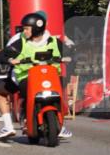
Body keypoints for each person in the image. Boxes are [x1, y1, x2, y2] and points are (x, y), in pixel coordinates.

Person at [4, 11, 72, 139]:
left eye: (27, 28)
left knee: (60, 92)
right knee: (26, 91)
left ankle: (61, 122)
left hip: (50, 76)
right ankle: (25, 117)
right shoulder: (21, 42)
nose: (24, 31)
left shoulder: (54, 41)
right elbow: (5, 54)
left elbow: (69, 52)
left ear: (36, 28)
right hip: (28, 77)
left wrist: (68, 57)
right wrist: (10, 60)